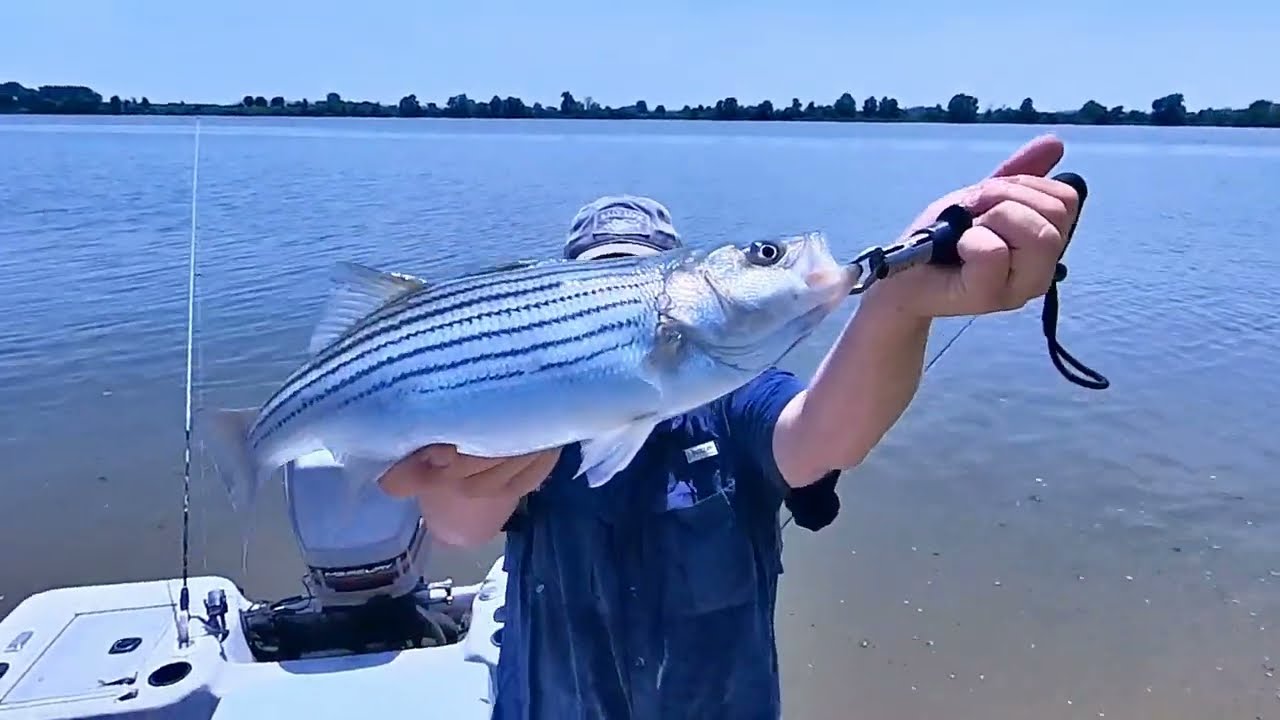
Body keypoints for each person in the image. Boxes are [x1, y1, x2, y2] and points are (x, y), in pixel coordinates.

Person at [380, 134, 1083, 719]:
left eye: (638, 286)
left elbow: (826, 434)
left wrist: (898, 308)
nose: (616, 324)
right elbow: (459, 525)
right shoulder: (530, 413)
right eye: (598, 294)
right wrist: (467, 481)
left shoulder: (738, 399)